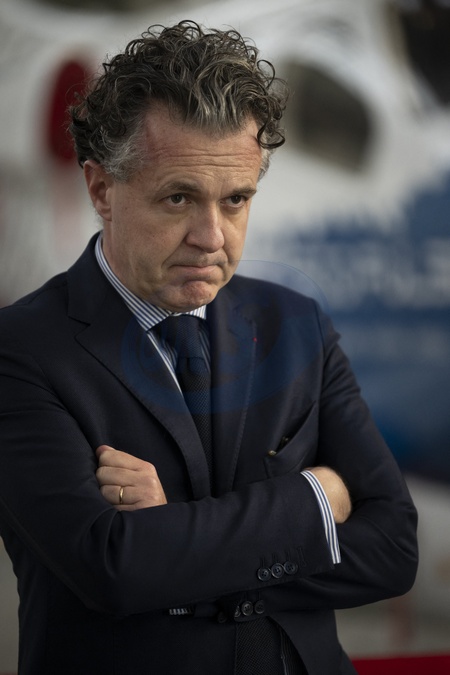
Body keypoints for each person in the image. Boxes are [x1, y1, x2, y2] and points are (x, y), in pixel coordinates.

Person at [0, 21, 417, 675]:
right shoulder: (20, 351)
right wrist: (314, 501)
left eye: (236, 199)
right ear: (102, 189)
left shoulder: (297, 325)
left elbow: (393, 548)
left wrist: (178, 535)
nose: (212, 236)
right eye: (179, 198)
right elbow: (112, 568)